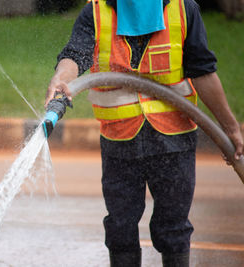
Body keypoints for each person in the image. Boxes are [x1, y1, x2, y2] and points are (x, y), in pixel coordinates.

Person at [44, 0, 243, 266]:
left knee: (174, 228)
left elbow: (203, 71)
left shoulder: (184, 10)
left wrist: (229, 129)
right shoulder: (96, 12)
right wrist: (62, 79)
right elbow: (75, 56)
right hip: (120, 142)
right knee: (120, 227)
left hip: (174, 141)